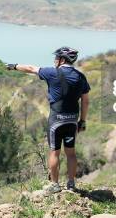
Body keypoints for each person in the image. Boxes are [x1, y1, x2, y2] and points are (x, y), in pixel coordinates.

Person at [6, 46, 90, 193]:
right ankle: (71, 184)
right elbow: (85, 101)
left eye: (56, 58)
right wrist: (82, 121)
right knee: (71, 153)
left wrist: (14, 66)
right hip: (72, 120)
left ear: (62, 60)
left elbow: (31, 68)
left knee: (54, 152)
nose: (54, 60)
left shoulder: (52, 72)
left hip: (56, 120)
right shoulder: (81, 77)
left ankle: (55, 185)